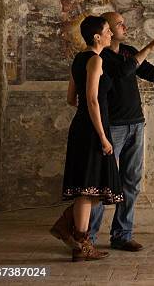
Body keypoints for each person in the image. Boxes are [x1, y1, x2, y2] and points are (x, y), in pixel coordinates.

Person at [89, 11, 154, 251]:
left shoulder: (128, 51)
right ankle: (88, 239)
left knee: (131, 182)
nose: (125, 26)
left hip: (136, 124)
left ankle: (122, 235)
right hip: (112, 127)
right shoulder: (101, 56)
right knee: (102, 184)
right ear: (109, 31)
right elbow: (125, 70)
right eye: (119, 24)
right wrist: (148, 48)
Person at [50, 15, 124, 261]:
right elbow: (91, 99)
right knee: (87, 190)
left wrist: (88, 120)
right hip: (94, 131)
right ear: (97, 36)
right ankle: (82, 245)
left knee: (91, 190)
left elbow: (72, 99)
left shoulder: (78, 60)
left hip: (83, 127)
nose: (110, 34)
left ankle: (68, 230)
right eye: (107, 31)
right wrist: (103, 136)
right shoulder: (95, 60)